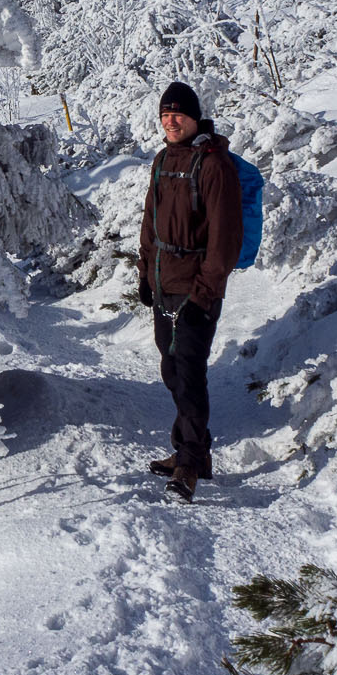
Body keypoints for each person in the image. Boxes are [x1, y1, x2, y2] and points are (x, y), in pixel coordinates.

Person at [138, 81, 243, 500]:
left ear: (195, 116)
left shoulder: (214, 165)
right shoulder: (162, 161)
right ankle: (193, 449)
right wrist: (146, 275)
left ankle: (190, 463)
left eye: (178, 114)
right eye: (165, 116)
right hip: (165, 284)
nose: (171, 121)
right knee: (171, 370)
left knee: (190, 374)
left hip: (196, 290)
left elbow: (225, 240)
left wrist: (205, 294)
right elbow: (150, 223)